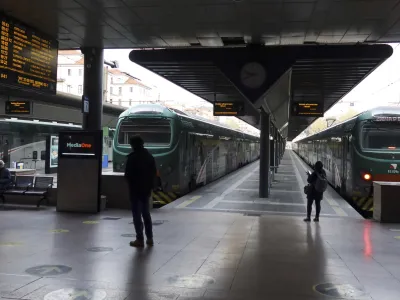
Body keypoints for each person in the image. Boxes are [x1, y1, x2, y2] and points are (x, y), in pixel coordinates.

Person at [124, 135, 157, 247]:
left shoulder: (132, 158)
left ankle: (139, 239)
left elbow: (127, 175)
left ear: (133, 145)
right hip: (146, 191)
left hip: (135, 191)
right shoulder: (149, 157)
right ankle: (150, 238)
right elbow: (154, 174)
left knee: (137, 216)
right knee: (146, 214)